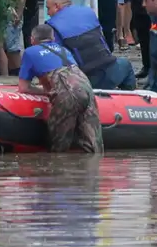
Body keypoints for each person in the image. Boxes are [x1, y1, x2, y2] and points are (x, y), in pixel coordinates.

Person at [18, 24, 103, 153]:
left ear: (32, 39)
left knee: (58, 148)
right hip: (85, 86)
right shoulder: (64, 50)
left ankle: (59, 170)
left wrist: (45, 92)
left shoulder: (30, 52)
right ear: (53, 38)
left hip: (66, 92)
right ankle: (93, 170)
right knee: (93, 147)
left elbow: (23, 87)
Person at [43, 0, 136, 90]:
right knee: (125, 64)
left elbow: (55, 61)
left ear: (57, 6)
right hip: (110, 69)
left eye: (48, 8)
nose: (48, 13)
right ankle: (131, 98)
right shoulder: (88, 12)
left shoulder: (52, 25)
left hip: (84, 82)